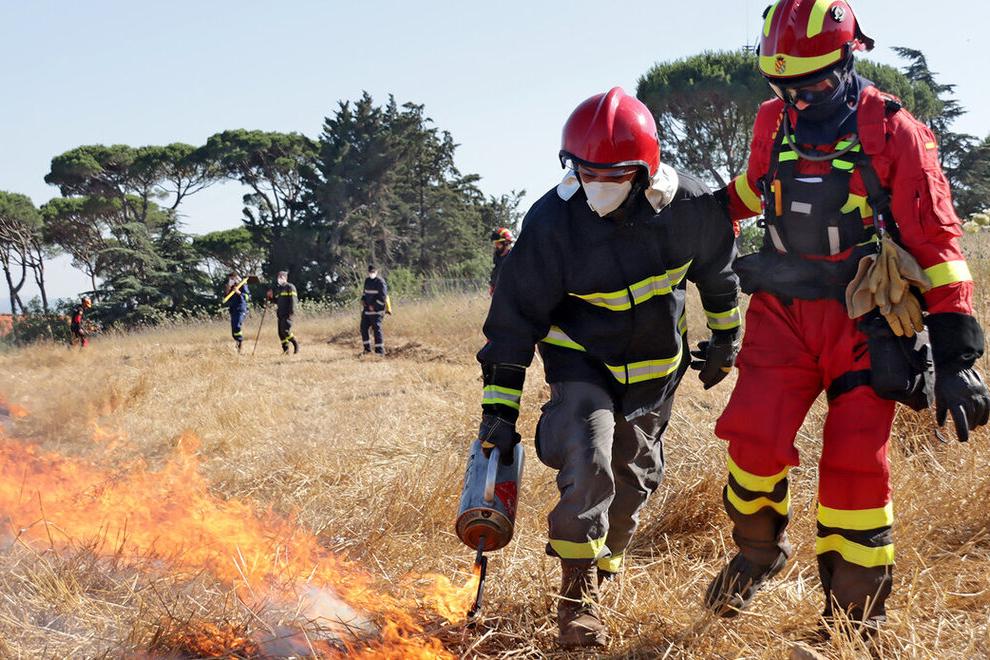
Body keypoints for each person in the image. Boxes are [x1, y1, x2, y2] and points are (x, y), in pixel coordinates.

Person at [706, 0, 990, 633]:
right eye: (783, 87)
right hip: (781, 314)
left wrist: (958, 356)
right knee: (752, 441)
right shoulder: (772, 120)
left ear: (846, 59)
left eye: (811, 86)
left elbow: (937, 243)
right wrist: (693, 210)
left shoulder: (895, 132)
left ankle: (853, 623)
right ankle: (757, 552)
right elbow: (752, 189)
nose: (797, 101)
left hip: (866, 321)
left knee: (855, 466)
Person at [475, 87, 740, 648]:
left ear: (645, 171)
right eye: (586, 171)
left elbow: (719, 276)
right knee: (589, 452)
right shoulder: (553, 222)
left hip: (654, 371)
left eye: (614, 175)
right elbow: (512, 322)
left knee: (633, 479)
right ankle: (576, 599)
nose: (597, 185)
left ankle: (603, 568)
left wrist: (725, 339)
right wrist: (497, 413)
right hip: (581, 362)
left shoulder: (690, 207)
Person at [360, 265, 391, 355]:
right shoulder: (367, 281)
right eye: (370, 272)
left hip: (377, 311)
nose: (371, 274)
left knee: (376, 329)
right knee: (363, 328)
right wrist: (362, 300)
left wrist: (374, 306)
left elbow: (383, 297)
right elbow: (364, 293)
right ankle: (367, 350)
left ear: (376, 272)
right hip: (367, 310)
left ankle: (380, 352)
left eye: (373, 272)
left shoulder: (380, 282)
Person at [268, 270, 299, 354]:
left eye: (281, 277)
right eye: (278, 277)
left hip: (287, 313)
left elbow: (293, 300)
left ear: (285, 278)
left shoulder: (290, 287)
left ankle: (295, 344)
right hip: (280, 314)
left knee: (285, 331)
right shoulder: (279, 289)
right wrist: (270, 297)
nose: (279, 278)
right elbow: (277, 301)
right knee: (280, 333)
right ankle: (286, 350)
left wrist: (291, 312)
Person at [224, 272, 250, 353]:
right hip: (233, 309)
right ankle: (237, 341)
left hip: (240, 309)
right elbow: (227, 297)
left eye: (233, 278)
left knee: (237, 325)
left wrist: (238, 292)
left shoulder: (243, 285)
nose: (231, 280)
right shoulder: (231, 287)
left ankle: (240, 343)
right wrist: (228, 288)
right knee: (234, 329)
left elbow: (247, 297)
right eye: (230, 279)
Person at [489, 227, 514, 295]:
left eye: (498, 244)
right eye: (495, 243)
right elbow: (496, 271)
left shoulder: (513, 258)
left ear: (506, 243)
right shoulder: (497, 257)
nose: (496, 246)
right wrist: (492, 285)